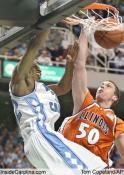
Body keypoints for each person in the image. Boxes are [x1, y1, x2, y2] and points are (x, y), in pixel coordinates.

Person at [9, 29, 108, 175]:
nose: (35, 68)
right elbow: (33, 48)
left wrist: (69, 62)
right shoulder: (20, 86)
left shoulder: (46, 90)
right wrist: (47, 24)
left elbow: (64, 87)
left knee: (92, 164)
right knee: (86, 170)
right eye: (31, 65)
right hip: (40, 136)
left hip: (45, 140)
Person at [61, 29, 124, 168]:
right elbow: (79, 67)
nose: (102, 86)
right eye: (101, 85)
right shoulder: (85, 102)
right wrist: (84, 30)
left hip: (93, 167)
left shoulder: (116, 123)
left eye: (107, 86)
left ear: (114, 97)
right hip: (68, 159)